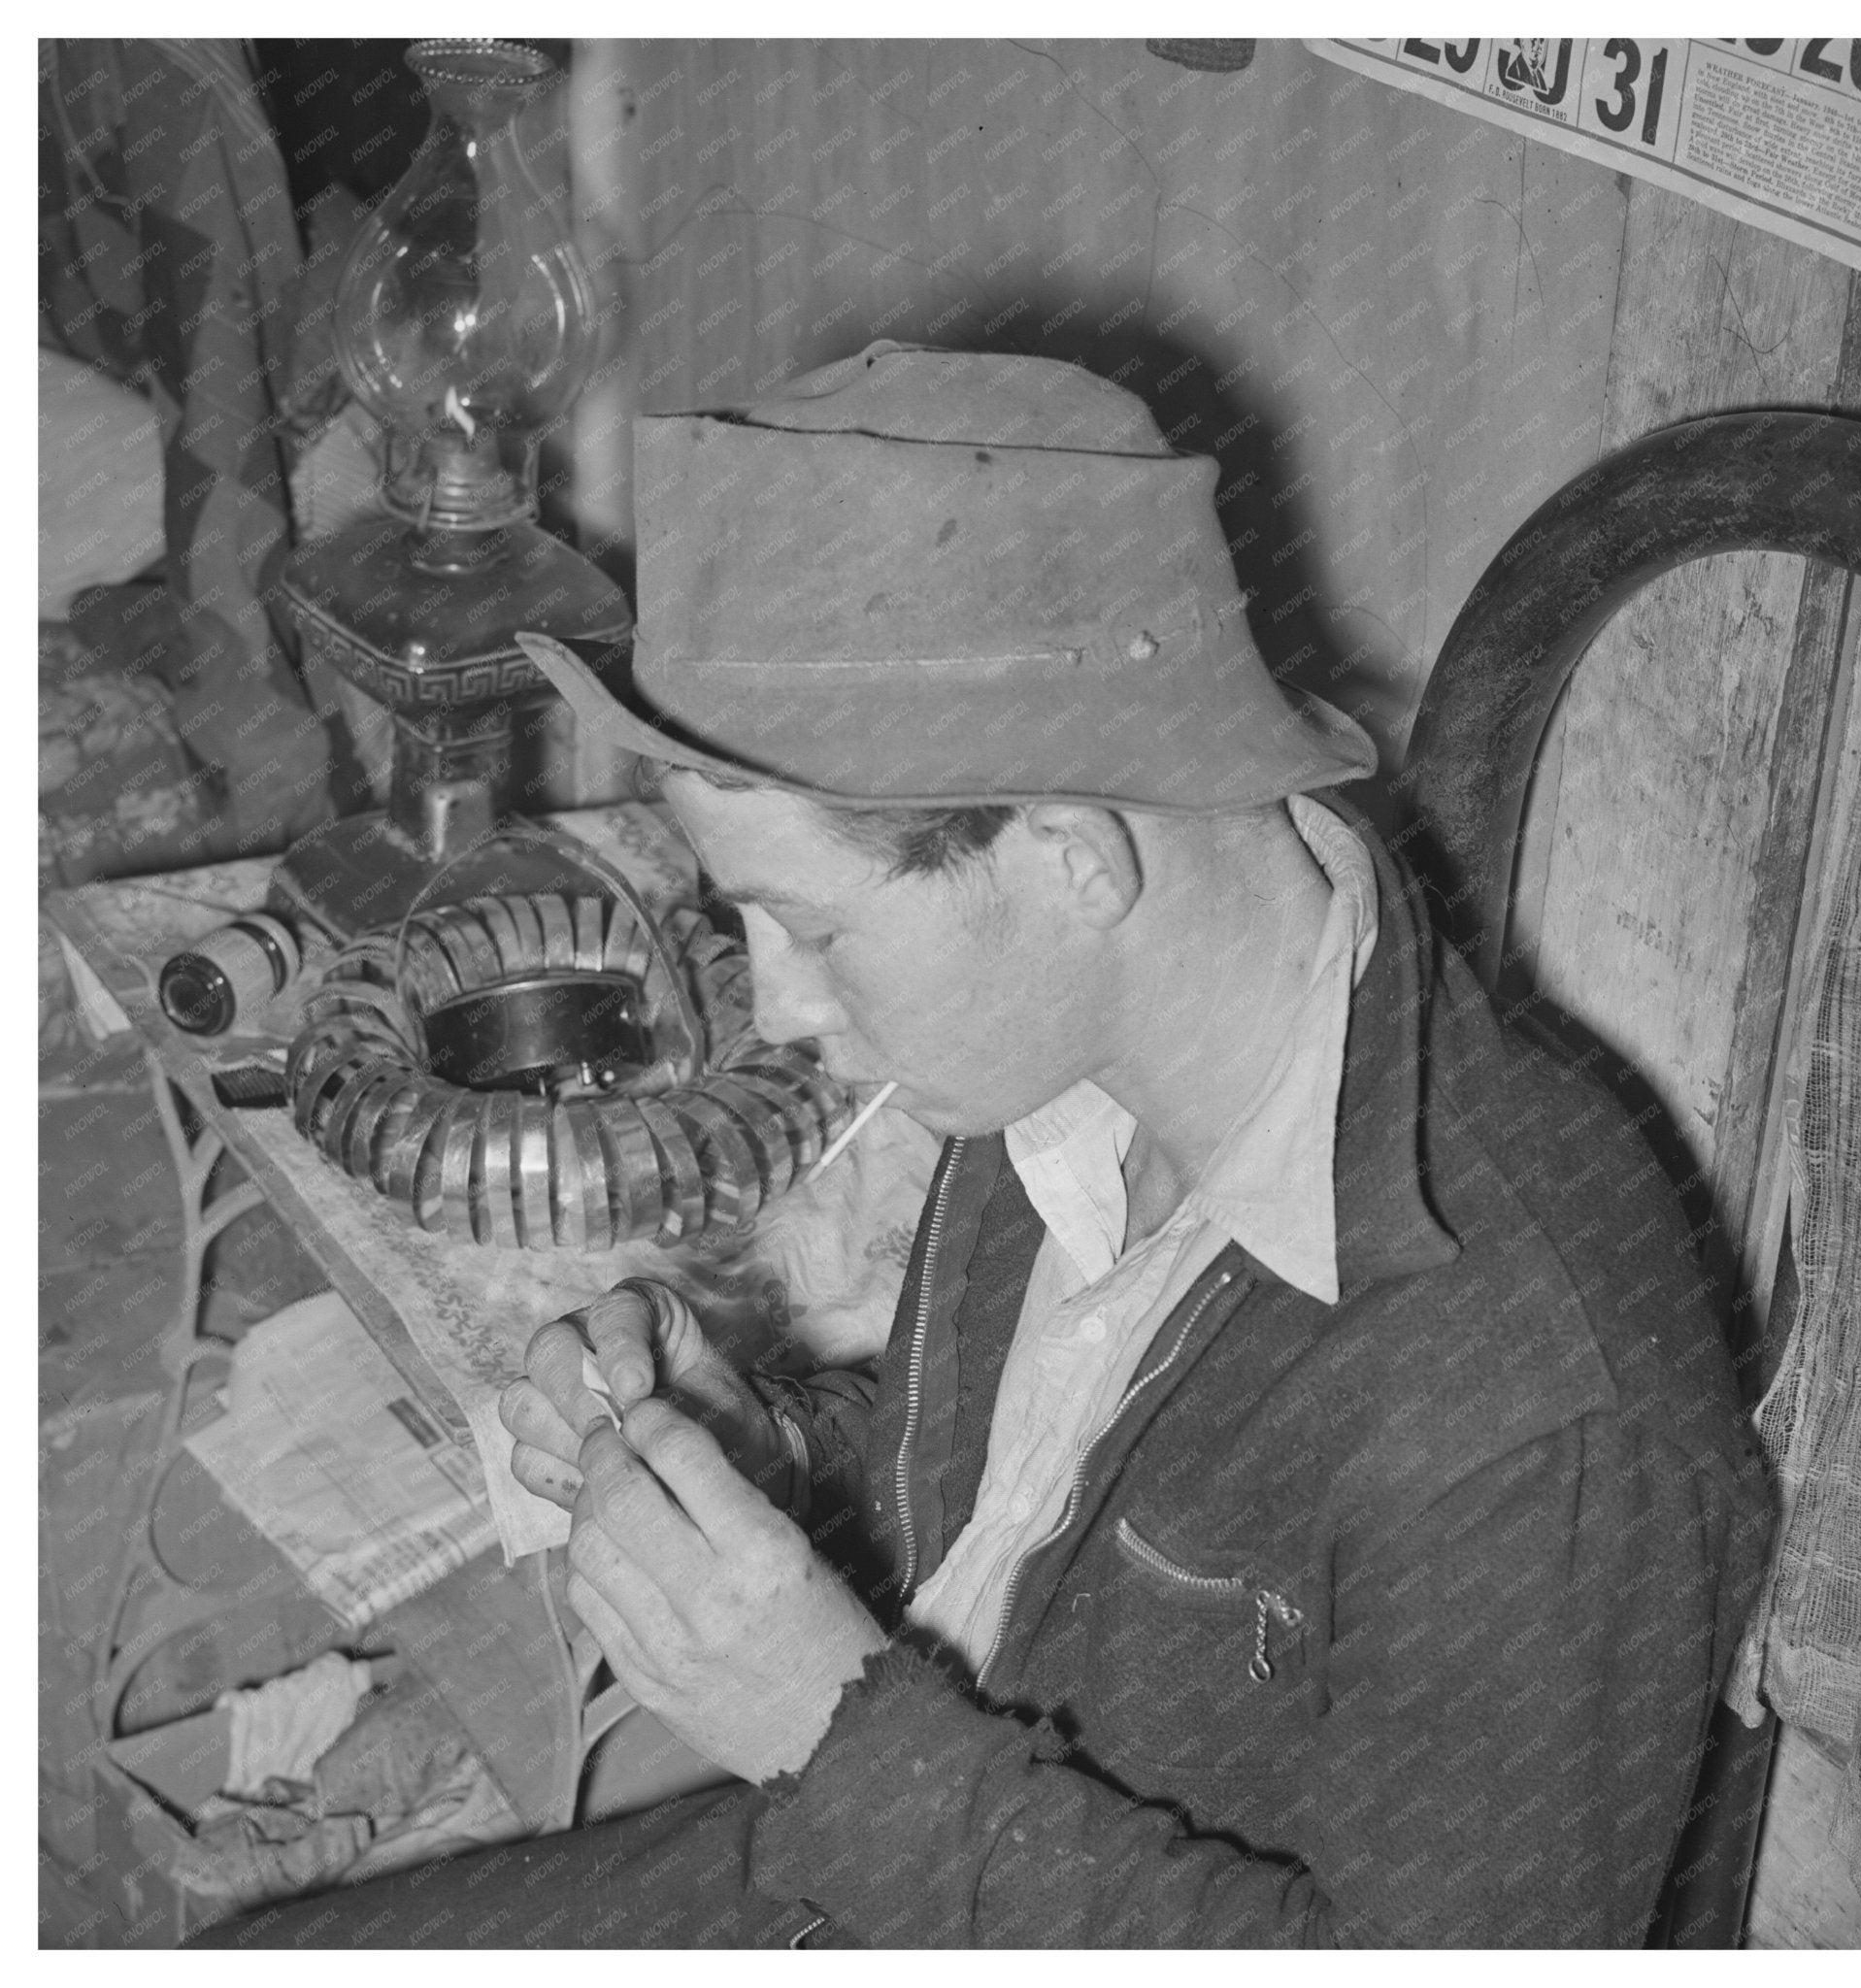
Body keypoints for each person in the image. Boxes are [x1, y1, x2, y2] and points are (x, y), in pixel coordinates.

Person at [196, 341, 1771, 1948]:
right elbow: (1057, 1496)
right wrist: (766, 1449)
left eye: (810, 926)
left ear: (1074, 860)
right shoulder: (1086, 1053)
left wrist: (829, 1734)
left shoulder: (1542, 1416)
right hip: (884, 1867)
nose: (779, 1004)